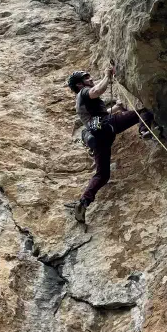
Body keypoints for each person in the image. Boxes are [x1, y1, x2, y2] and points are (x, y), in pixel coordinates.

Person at [66, 66, 154, 224]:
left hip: (99, 136)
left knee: (102, 175)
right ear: (80, 85)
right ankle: (144, 131)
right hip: (106, 126)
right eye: (87, 78)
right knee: (143, 112)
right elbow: (97, 91)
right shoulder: (84, 92)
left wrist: (116, 108)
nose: (91, 79)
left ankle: (84, 201)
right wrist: (107, 76)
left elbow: (98, 116)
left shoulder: (81, 102)